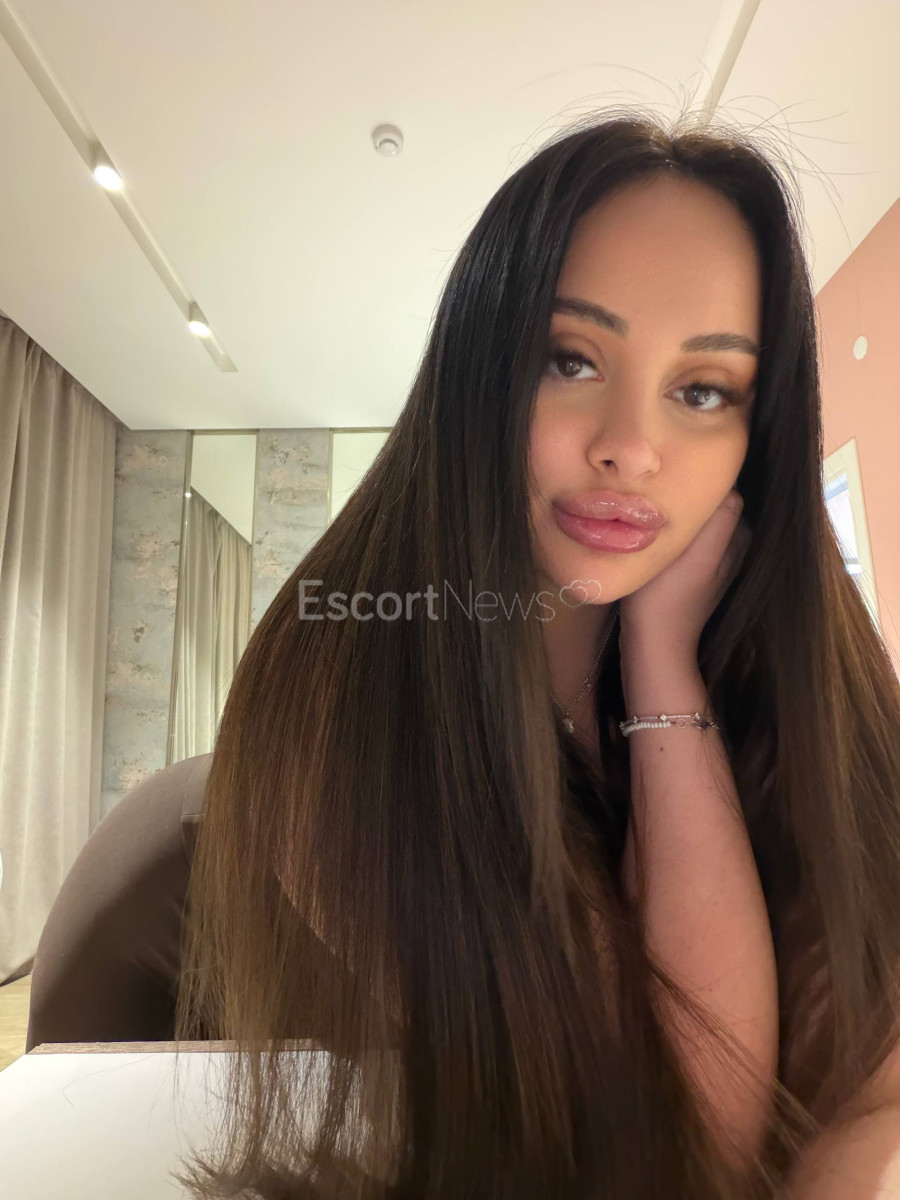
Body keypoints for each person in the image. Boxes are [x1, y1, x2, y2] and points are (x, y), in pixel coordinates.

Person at [33, 105, 900, 1198]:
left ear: (757, 429)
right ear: (480, 369)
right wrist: (667, 674)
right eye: (569, 359)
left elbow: (868, 1058)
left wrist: (660, 652)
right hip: (163, 906)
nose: (631, 448)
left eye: (702, 390)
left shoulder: (805, 653)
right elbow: (678, 1131)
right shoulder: (346, 668)